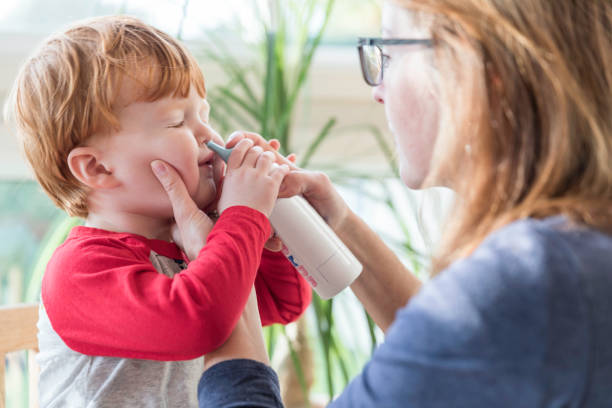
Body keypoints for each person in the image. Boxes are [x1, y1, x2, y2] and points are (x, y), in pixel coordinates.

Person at [153, 0, 612, 406]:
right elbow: (458, 360)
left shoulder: (531, 280)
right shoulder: (573, 259)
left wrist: (220, 269)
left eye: (387, 55)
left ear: (471, 70)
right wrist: (339, 222)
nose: (377, 90)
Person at [5, 16, 312, 407]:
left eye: (205, 114)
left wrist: (265, 233)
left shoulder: (190, 241)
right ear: (98, 168)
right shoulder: (80, 271)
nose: (209, 135)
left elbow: (280, 302)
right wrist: (242, 217)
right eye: (177, 121)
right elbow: (201, 320)